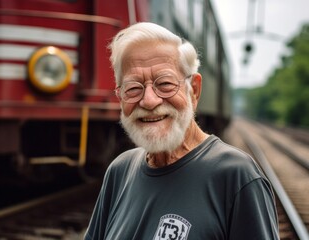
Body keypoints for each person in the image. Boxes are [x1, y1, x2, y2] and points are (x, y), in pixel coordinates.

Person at [84, 22, 279, 240]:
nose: (149, 101)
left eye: (165, 84)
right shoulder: (119, 171)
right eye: (133, 88)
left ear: (193, 90)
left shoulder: (237, 176)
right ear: (120, 97)